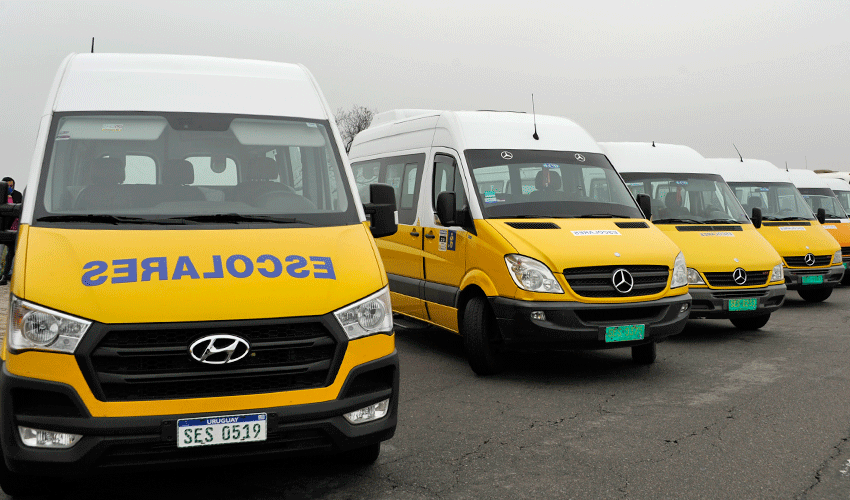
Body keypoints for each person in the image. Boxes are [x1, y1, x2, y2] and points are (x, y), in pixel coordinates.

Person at [0, 177, 22, 286]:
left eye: (11, 185)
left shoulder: (18, 195)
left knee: (11, 254)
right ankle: (2, 274)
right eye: (7, 186)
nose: (10, 187)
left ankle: (7, 274)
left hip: (13, 228)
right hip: (1, 227)